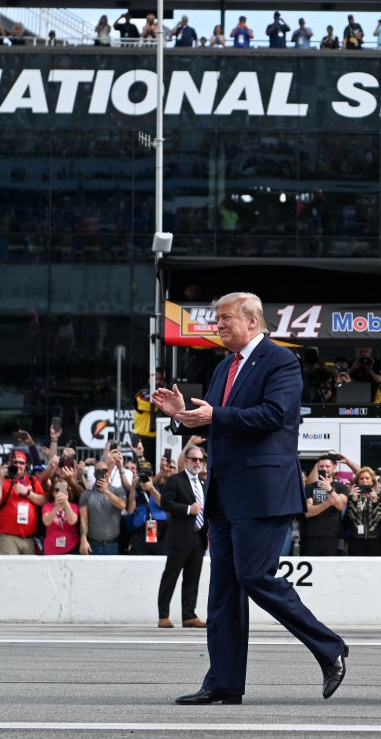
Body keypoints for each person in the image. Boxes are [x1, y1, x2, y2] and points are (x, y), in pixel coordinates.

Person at [153, 291, 348, 704]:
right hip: (224, 495)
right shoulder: (225, 365)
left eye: (225, 319)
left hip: (264, 492)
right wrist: (181, 415)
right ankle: (223, 683)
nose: (218, 325)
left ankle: (330, 648)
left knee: (253, 575)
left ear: (253, 321)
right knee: (222, 590)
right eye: (217, 320)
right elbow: (215, 423)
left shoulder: (281, 361)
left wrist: (213, 416)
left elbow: (273, 415)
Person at [158, 446, 210, 628]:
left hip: (199, 536)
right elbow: (165, 503)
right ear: (186, 460)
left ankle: (189, 615)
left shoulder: (204, 483)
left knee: (192, 578)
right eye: (194, 459)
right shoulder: (175, 480)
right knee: (170, 576)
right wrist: (188, 509)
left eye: (200, 460)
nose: (198, 463)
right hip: (180, 536)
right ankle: (163, 614)